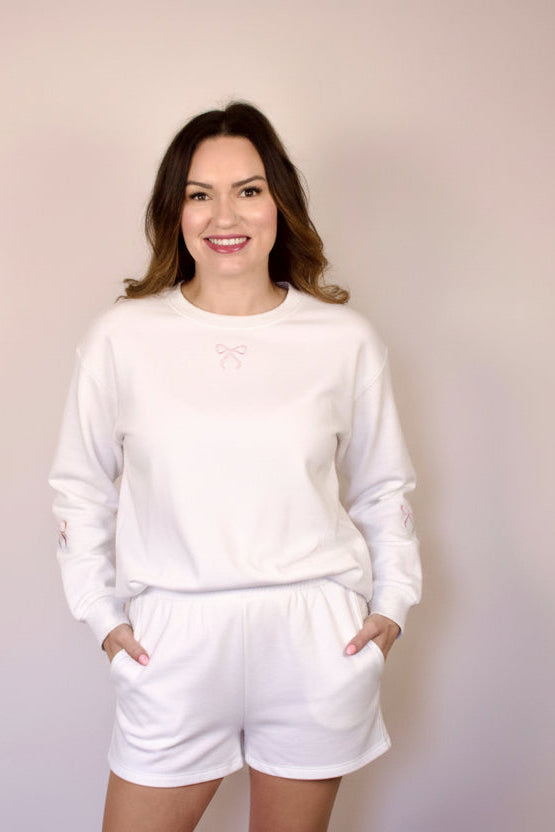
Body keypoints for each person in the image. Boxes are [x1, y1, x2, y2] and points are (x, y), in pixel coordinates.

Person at [47, 100, 422, 832]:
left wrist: (393, 605)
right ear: (175, 212)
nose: (226, 215)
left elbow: (384, 487)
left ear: (280, 202)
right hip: (173, 639)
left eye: (248, 189)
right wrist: (100, 615)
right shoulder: (122, 338)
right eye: (200, 194)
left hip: (313, 637)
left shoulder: (342, 340)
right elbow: (80, 487)